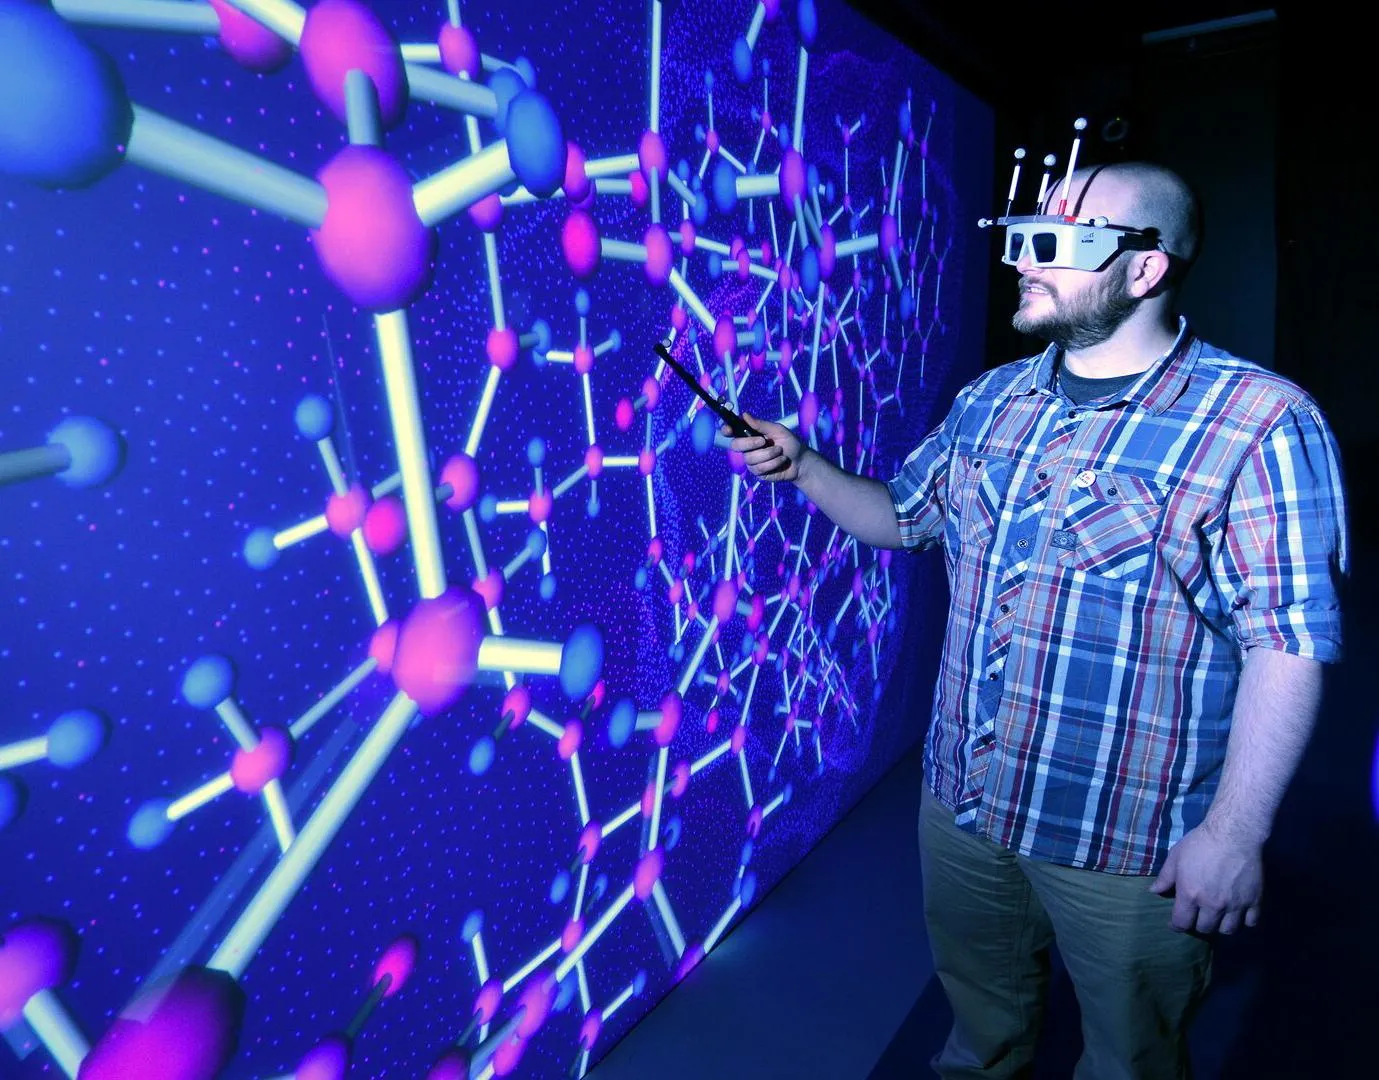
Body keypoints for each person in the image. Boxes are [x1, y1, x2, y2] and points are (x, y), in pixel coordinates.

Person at [728, 161, 1349, 1079]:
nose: (1023, 260)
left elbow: (1286, 641)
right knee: (976, 1043)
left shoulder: (1260, 422)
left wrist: (1231, 834)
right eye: (1021, 237)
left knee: (1128, 1062)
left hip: (1126, 843)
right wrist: (803, 466)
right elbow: (902, 517)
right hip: (964, 808)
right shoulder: (991, 400)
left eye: (1053, 244)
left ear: (1145, 268)